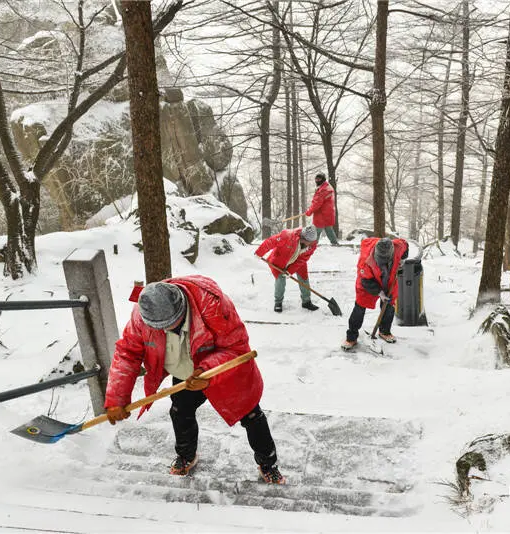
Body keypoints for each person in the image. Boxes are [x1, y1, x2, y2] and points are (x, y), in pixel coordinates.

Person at [104, 275, 286, 484]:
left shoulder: (213, 304)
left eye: (171, 325)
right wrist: (116, 399)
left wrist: (208, 371)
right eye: (160, 328)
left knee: (252, 417)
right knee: (180, 412)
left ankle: (268, 463)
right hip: (184, 374)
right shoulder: (142, 314)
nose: (166, 331)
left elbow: (236, 348)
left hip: (224, 371)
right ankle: (186, 455)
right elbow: (128, 353)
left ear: (182, 308)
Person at [342, 237, 409, 351]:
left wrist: (403, 258)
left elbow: (405, 244)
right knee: (359, 307)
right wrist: (379, 292)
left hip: (389, 280)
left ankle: (384, 331)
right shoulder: (365, 260)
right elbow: (365, 281)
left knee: (389, 305)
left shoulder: (397, 247)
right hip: (368, 283)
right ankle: (351, 337)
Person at [255, 225, 320, 313]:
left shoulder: (312, 244)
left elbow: (303, 259)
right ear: (303, 238)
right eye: (310, 242)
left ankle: (306, 301)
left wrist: (290, 271)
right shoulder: (287, 236)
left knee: (304, 277)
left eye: (313, 242)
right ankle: (278, 302)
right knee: (280, 279)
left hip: (297, 260)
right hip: (280, 260)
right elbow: (270, 241)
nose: (312, 244)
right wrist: (260, 252)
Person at [305, 173, 339, 245]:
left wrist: (309, 211)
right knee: (329, 229)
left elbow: (317, 203)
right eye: (316, 179)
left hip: (321, 214)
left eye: (319, 179)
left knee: (316, 230)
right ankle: (334, 243)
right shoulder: (326, 187)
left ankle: (313, 244)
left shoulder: (323, 190)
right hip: (327, 213)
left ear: (323, 179)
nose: (317, 181)